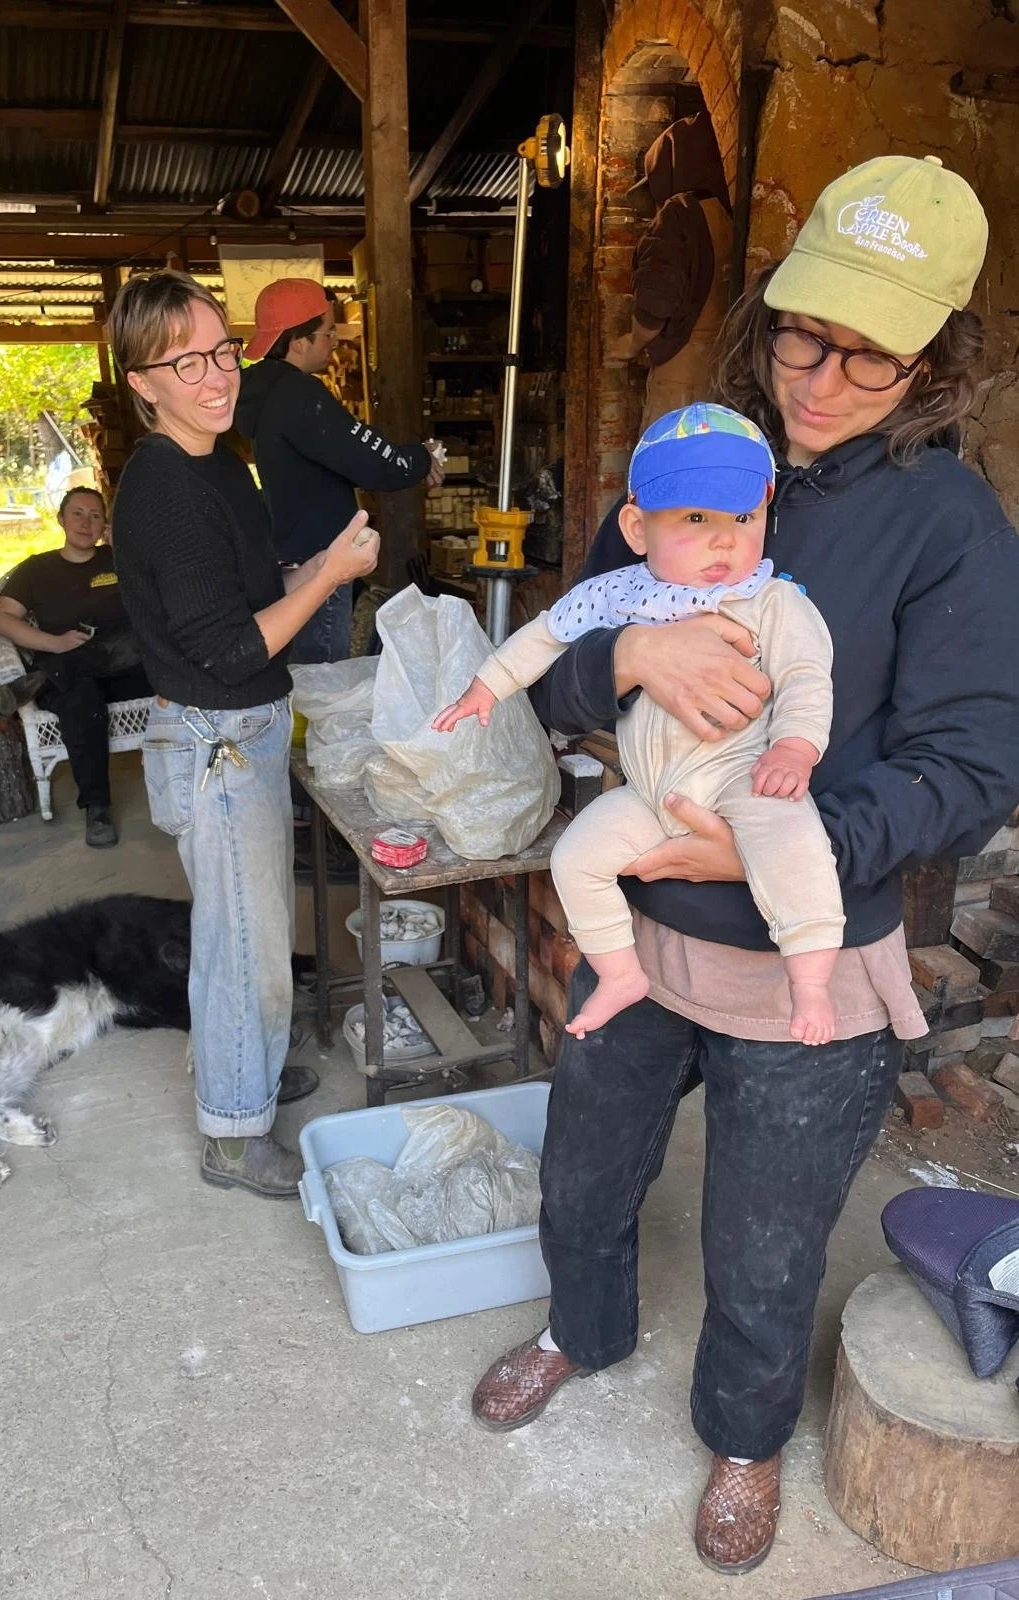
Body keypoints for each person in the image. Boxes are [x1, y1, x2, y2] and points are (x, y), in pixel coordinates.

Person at [469, 155, 1019, 1575]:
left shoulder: (946, 524)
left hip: (803, 951)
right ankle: (574, 1333)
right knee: (586, 1171)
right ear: (766, 314)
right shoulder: (683, 460)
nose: (822, 382)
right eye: (802, 335)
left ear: (940, 358)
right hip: (640, 927)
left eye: (873, 357)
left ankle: (743, 1441)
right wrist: (621, 655)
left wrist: (790, 840)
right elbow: (558, 682)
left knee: (767, 1236)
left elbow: (971, 772)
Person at [435, 404, 850, 1046]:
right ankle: (621, 972)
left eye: (744, 518)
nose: (724, 540)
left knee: (795, 847)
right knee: (576, 858)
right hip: (654, 794)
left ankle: (812, 982)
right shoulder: (620, 594)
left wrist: (795, 748)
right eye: (694, 518)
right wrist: (486, 685)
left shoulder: (774, 600)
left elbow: (805, 677)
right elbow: (545, 637)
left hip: (747, 777)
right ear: (636, 526)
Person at [108, 269, 380, 1200]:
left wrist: (303, 567)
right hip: (216, 738)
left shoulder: (220, 460)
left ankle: (248, 1076)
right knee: (245, 948)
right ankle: (231, 1135)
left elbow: (247, 587)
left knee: (256, 933)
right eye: (186, 363)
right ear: (143, 383)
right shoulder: (161, 491)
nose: (217, 376)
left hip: (248, 728)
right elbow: (227, 649)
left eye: (222, 350)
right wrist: (332, 571)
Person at [234, 276, 444, 665]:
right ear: (298, 342)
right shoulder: (299, 397)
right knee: (321, 680)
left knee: (303, 676)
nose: (334, 341)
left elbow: (350, 451)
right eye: (328, 333)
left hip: (293, 558)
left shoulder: (265, 392)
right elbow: (368, 459)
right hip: (321, 563)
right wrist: (419, 459)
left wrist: (413, 458)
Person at [0, 486, 151, 849]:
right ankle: (97, 810)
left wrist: (125, 545)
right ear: (60, 519)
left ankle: (36, 681)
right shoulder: (36, 569)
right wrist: (56, 643)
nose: (86, 522)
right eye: (77, 513)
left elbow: (162, 595)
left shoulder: (120, 560)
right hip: (72, 674)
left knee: (129, 638)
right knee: (81, 697)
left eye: (95, 515)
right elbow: (1, 621)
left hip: (128, 671)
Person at [615, 113, 734, 428]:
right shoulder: (729, 213)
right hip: (722, 375)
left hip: (681, 378)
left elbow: (656, 300)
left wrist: (632, 342)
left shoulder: (679, 212)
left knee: (667, 466)